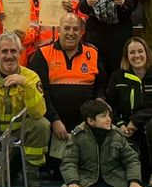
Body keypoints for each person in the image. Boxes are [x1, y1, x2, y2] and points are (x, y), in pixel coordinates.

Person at [0, 32, 52, 187]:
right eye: (4, 51)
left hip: (22, 132)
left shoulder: (31, 77)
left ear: (20, 52)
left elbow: (38, 113)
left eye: (13, 51)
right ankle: (11, 167)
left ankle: (31, 173)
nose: (9, 56)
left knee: (42, 125)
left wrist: (26, 84)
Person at [28, 15, 104, 164]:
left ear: (81, 32)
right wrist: (55, 120)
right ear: (59, 31)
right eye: (67, 28)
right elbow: (40, 93)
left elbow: (101, 83)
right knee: (57, 170)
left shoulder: (92, 52)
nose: (71, 33)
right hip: (55, 123)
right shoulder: (44, 53)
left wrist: (100, 99)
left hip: (85, 122)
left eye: (75, 29)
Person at [106, 37, 152, 187]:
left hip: (150, 126)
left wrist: (136, 120)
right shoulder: (117, 76)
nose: (137, 56)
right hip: (125, 128)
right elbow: (110, 107)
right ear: (126, 56)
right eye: (132, 52)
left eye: (140, 51)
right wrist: (120, 123)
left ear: (147, 53)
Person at [60, 99, 148, 187]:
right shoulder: (77, 136)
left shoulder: (117, 135)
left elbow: (131, 160)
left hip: (114, 181)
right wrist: (73, 182)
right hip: (88, 181)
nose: (109, 119)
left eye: (109, 116)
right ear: (91, 121)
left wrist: (134, 181)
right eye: (103, 116)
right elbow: (69, 162)